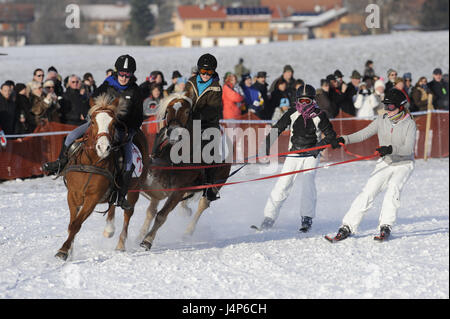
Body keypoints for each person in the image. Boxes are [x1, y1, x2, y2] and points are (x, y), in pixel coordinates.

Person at [43, 54, 144, 210]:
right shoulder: (105, 86)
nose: (124, 77)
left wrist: (130, 130)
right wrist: (90, 115)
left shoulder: (135, 91)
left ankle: (119, 194)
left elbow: (138, 115)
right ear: (117, 72)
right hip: (98, 125)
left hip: (121, 129)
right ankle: (60, 163)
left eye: (128, 74)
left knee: (128, 161)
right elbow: (90, 102)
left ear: (132, 74)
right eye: (122, 74)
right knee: (71, 136)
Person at [327, 89, 416, 241]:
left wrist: (390, 149)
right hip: (386, 162)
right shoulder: (382, 119)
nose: (387, 110)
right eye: (385, 106)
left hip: (404, 163)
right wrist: (344, 139)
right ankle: (347, 226)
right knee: (368, 192)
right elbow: (363, 133)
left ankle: (385, 226)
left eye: (391, 107)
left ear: (401, 107)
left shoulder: (410, 123)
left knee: (393, 189)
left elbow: (408, 148)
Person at [257, 84, 339, 232]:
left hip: (311, 155)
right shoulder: (292, 113)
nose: (303, 104)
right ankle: (269, 217)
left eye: (307, 101)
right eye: (301, 100)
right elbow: (277, 128)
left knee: (308, 183)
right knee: (283, 183)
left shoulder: (319, 115)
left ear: (313, 101)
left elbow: (331, 135)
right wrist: (266, 146)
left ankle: (307, 218)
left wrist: (318, 147)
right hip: (293, 154)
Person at [185, 53, 223, 201]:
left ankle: (209, 185)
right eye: (203, 72)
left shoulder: (216, 88)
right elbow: (185, 98)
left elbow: (212, 109)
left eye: (209, 72)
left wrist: (195, 115)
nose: (206, 75)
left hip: (208, 124)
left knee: (210, 151)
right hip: (188, 121)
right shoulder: (191, 82)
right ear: (199, 70)